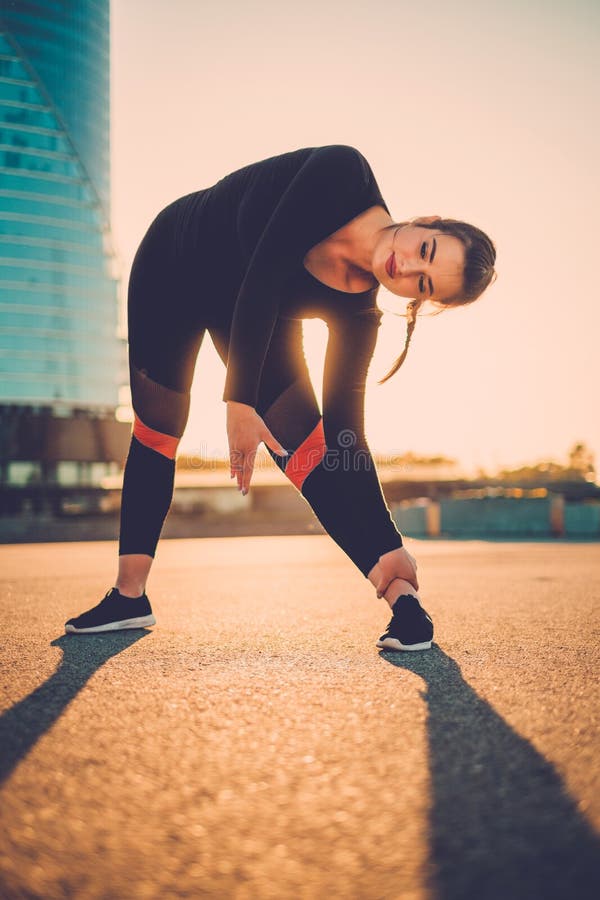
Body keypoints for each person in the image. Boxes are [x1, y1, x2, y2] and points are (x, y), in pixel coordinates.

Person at [65, 144, 496, 649]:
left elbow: (346, 436)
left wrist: (388, 539)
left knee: (310, 452)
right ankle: (129, 597)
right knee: (157, 430)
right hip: (177, 260)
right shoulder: (343, 172)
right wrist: (239, 403)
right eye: (425, 250)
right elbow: (265, 273)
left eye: (422, 286)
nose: (405, 271)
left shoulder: (359, 317)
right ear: (428, 221)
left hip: (249, 315)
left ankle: (401, 596)